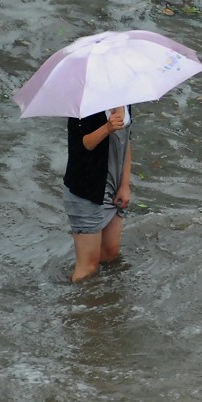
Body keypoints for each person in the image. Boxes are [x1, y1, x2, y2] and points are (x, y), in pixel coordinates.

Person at [62, 106, 133, 283]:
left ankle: (102, 304)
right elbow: (84, 144)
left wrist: (124, 185)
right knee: (88, 266)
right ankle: (78, 307)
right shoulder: (86, 105)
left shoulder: (126, 100)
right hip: (86, 189)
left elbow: (127, 142)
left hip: (113, 186)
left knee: (110, 253)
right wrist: (107, 128)